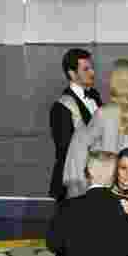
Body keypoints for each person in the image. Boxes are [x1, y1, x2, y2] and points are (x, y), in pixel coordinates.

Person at [62, 58, 128, 200]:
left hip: (98, 184)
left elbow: (81, 145)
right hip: (117, 185)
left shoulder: (104, 113)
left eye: (110, 77)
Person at [49, 48, 100, 202]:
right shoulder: (61, 107)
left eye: (92, 68)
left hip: (94, 182)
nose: (92, 72)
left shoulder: (95, 96)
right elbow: (65, 150)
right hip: (73, 187)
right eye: (86, 69)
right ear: (72, 74)